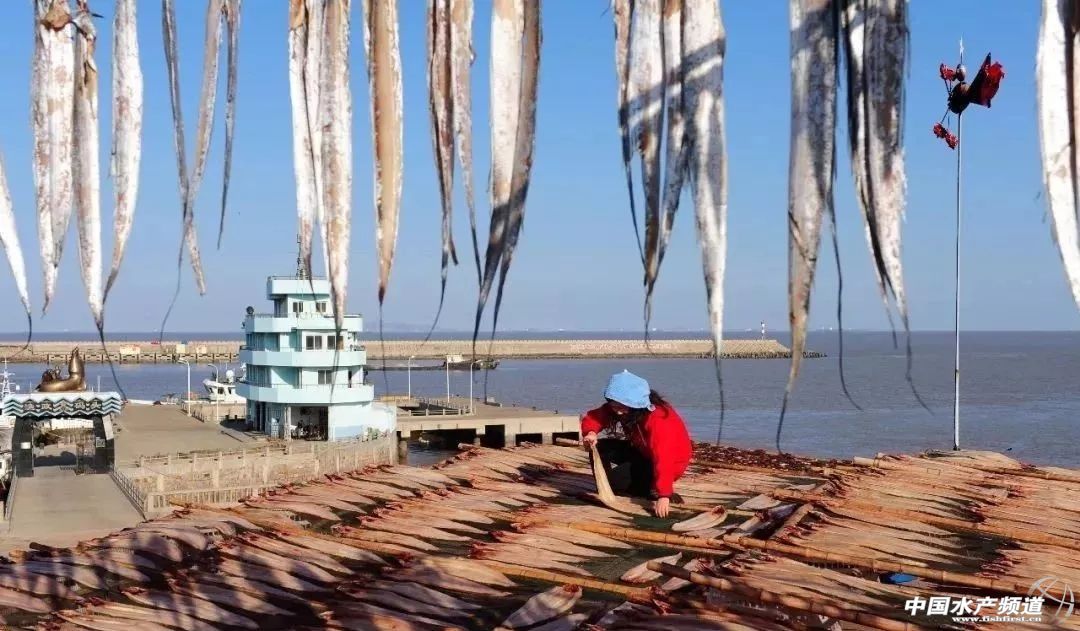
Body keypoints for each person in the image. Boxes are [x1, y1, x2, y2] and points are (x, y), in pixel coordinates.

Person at [580, 370, 693, 518]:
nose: (618, 412)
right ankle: (608, 486)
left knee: (620, 483)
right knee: (599, 447)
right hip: (642, 451)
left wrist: (664, 494)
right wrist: (591, 433)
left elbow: (664, 458)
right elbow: (595, 417)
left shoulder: (658, 419)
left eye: (621, 407)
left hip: (670, 463)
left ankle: (644, 487)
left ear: (635, 404)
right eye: (614, 407)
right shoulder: (622, 406)